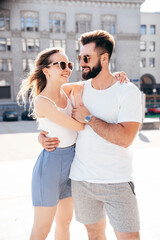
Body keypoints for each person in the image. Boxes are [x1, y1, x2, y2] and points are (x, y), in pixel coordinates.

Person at [39, 30, 142, 240]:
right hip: (81, 181)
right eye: (79, 58)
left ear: (104, 58)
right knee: (94, 235)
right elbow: (45, 101)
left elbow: (125, 139)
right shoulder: (78, 88)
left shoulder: (127, 91)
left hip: (117, 181)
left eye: (86, 58)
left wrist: (89, 118)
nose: (81, 64)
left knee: (129, 237)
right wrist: (41, 135)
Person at [17, 47, 86, 240]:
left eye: (69, 64)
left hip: (72, 168)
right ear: (46, 70)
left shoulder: (67, 90)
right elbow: (78, 126)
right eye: (61, 64)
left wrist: (118, 75)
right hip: (50, 169)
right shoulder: (42, 101)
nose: (67, 69)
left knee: (64, 224)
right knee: (42, 230)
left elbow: (94, 82)